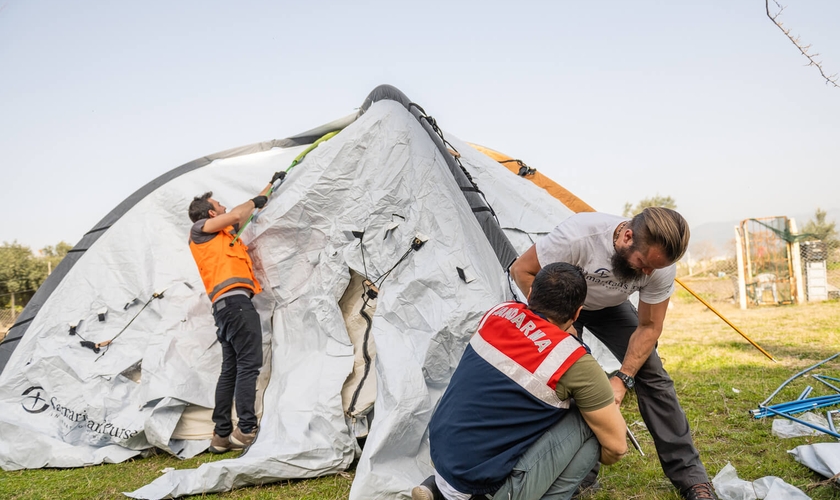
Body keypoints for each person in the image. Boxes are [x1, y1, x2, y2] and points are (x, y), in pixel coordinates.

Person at [509, 207, 717, 500]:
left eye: (653, 269)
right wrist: (558, 323)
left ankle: (692, 479)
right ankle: (578, 475)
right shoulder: (579, 235)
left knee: (653, 375)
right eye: (643, 263)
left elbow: (649, 327)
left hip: (609, 309)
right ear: (627, 236)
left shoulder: (659, 264)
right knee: (565, 378)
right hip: (564, 301)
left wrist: (624, 378)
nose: (647, 273)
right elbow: (522, 270)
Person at [412, 262, 628, 500]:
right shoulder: (573, 360)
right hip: (479, 484)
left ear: (531, 292)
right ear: (577, 313)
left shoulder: (499, 312)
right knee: (591, 424)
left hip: (443, 456)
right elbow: (617, 447)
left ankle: (440, 491)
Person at [187, 170, 284, 453]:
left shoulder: (222, 236)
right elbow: (237, 213)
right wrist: (254, 201)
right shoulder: (200, 229)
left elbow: (248, 208)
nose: (225, 207)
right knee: (247, 366)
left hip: (226, 309)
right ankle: (246, 430)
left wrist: (270, 184)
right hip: (237, 307)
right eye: (219, 205)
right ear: (208, 212)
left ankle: (220, 436)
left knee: (230, 370)